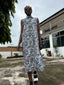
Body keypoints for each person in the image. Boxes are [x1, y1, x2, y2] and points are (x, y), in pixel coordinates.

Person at [17, 6, 45, 85]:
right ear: (24, 12)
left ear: (31, 11)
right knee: (28, 62)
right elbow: (21, 32)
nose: (28, 11)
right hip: (26, 44)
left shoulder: (36, 19)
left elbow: (38, 31)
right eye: (26, 10)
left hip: (34, 43)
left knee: (35, 60)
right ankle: (30, 81)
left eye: (29, 10)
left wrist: (40, 42)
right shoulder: (22, 21)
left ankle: (35, 74)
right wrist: (19, 43)